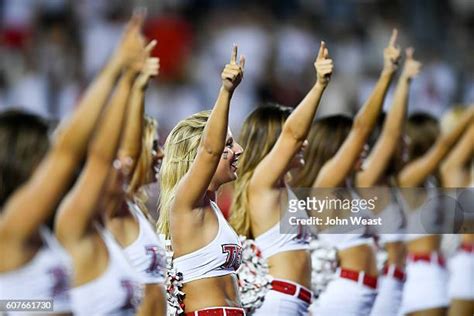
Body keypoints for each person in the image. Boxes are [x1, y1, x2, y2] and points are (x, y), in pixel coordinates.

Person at [0, 14, 145, 315]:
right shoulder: (12, 226)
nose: (49, 161)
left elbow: (100, 159)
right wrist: (115, 68)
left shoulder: (40, 232)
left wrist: (127, 80)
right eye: (42, 153)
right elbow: (69, 154)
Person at [293, 30, 401, 316]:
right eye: (355, 147)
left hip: (365, 293)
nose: (363, 148)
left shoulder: (353, 185)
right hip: (343, 297)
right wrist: (388, 74)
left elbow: (387, 137)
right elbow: (363, 128)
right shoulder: (326, 184)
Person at [54, 15, 153, 315]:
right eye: (114, 162)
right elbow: (12, 303)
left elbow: (123, 156)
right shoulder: (69, 223)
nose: (124, 164)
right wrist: (120, 76)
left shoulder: (100, 229)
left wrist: (132, 86)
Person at [229, 41, 333, 316]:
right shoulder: (261, 182)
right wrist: (319, 85)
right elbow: (293, 135)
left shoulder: (281, 188)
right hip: (281, 302)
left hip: (296, 302)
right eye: (299, 139)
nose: (305, 144)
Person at [156, 45, 245, 315]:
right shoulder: (185, 203)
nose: (238, 150)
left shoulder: (210, 205)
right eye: (228, 145)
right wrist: (227, 91)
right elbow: (210, 149)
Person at [356, 47, 421, 316]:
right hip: (382, 288)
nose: (405, 142)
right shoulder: (366, 179)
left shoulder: (390, 182)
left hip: (397, 284)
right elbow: (392, 133)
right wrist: (401, 80)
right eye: (399, 138)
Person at [103, 43, 167, 316]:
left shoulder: (136, 208)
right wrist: (137, 88)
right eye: (153, 146)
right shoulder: (112, 206)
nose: (161, 153)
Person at [398, 108, 473, 316]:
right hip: (419, 274)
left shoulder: (432, 180)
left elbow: (456, 152)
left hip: (432, 273)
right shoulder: (408, 178)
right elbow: (444, 147)